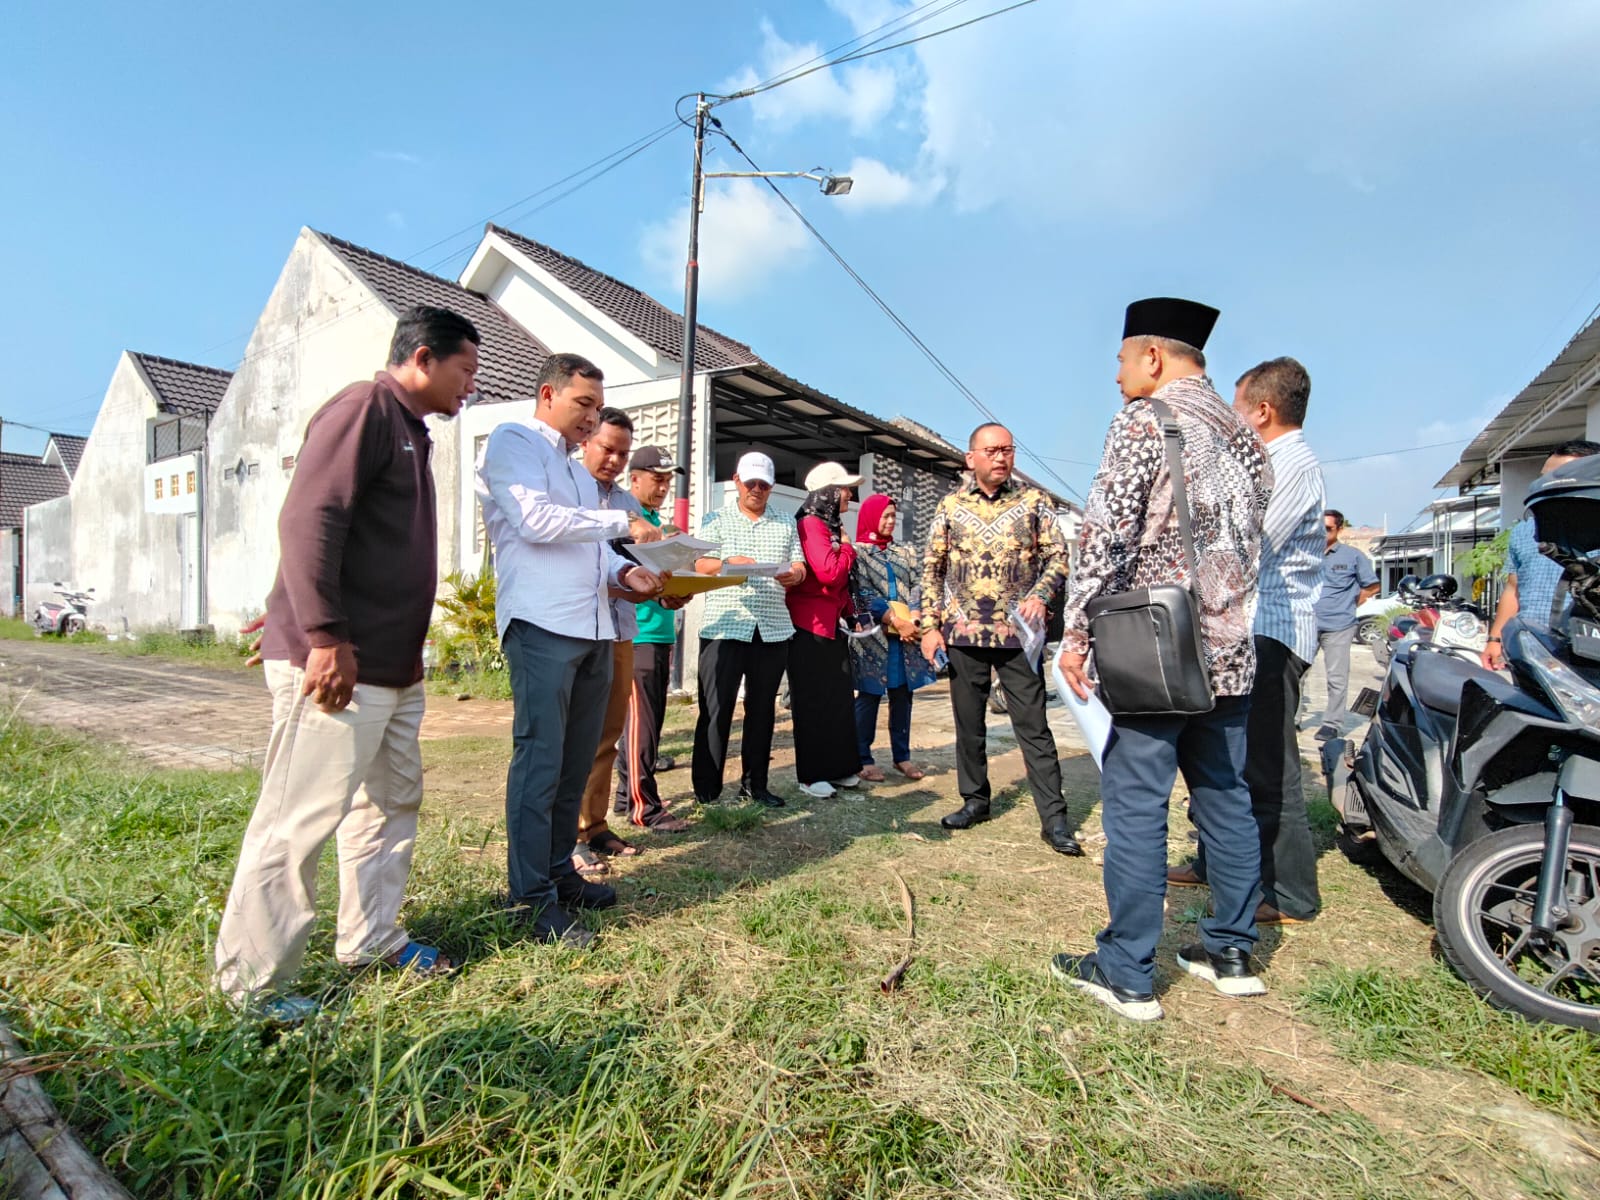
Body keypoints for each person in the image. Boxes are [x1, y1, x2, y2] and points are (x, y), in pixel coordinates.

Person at [214, 305, 480, 1022]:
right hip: (341, 668)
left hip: (395, 670)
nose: (471, 388)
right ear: (422, 358)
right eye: (465, 372)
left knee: (390, 806)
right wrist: (322, 634)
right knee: (297, 821)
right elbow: (310, 519)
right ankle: (253, 985)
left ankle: (373, 937)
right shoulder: (364, 409)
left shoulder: (411, 432)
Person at [1054, 297, 1273, 1021]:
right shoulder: (1246, 437)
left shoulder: (1145, 421)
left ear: (1151, 357)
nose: (1116, 376)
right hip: (1232, 648)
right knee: (1224, 796)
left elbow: (1106, 536)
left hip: (1157, 648)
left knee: (1138, 801)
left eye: (1121, 361)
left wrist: (1077, 633)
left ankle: (1126, 970)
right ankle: (1231, 950)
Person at [476, 354, 661, 948]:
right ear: (548, 393)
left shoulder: (579, 475)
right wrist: (618, 527)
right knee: (540, 761)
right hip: (541, 624)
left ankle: (559, 873)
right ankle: (529, 898)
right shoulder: (515, 443)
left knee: (575, 760)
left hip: (594, 629)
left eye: (597, 407)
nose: (591, 417)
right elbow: (534, 520)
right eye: (583, 404)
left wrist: (625, 576)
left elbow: (596, 550)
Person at [1169, 357, 1326, 925]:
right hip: (1243, 630)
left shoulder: (1293, 467)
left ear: (1261, 411)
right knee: (1225, 759)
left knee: (1267, 764)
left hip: (1272, 633)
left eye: (1236, 409)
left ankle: (1288, 895)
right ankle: (1218, 863)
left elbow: (1247, 544)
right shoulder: (1262, 462)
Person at [917, 423, 1080, 856]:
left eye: (1007, 449)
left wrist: (1041, 596)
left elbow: (1058, 558)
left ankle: (1055, 818)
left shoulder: (1033, 502)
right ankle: (974, 801)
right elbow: (932, 569)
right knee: (969, 726)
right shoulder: (950, 506)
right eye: (991, 450)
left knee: (1034, 727)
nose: (1001, 457)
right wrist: (929, 626)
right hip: (962, 633)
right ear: (971, 458)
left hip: (1017, 637)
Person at [571, 408, 671, 877]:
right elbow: (578, 566)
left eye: (622, 453)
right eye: (606, 448)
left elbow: (636, 561)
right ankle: (569, 836)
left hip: (621, 627)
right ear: (586, 440)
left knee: (608, 736)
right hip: (577, 628)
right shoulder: (570, 490)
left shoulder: (626, 501)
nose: (612, 459)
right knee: (575, 737)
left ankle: (594, 826)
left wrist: (667, 587)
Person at [691, 451, 808, 808]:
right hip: (726, 625)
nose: (757, 490)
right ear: (737, 481)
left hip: (771, 627)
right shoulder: (716, 519)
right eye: (751, 483)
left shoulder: (786, 523)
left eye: (764, 484)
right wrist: (728, 562)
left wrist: (795, 574)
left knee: (762, 711)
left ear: (772, 487)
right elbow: (699, 563)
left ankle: (755, 785)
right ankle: (707, 791)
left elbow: (800, 566)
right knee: (716, 708)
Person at [615, 445, 692, 832]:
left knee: (648, 722)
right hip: (638, 633)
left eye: (667, 481)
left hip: (660, 631)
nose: (662, 487)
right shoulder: (629, 523)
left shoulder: (656, 523)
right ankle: (645, 807)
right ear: (635, 479)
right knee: (641, 725)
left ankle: (623, 795)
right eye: (656, 479)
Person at [1482, 438, 1600, 667]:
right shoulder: (1523, 532)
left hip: (1585, 656)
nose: (1549, 485)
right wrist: (1495, 639)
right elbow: (1513, 588)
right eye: (1544, 477)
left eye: (1561, 476)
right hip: (1529, 651)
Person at [786, 461, 865, 798]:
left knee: (837, 699)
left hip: (832, 624)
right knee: (813, 701)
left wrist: (853, 612)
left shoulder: (830, 527)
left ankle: (839, 767)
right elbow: (830, 572)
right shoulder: (811, 524)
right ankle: (811, 774)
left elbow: (839, 582)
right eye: (845, 488)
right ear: (829, 493)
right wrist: (848, 548)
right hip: (809, 627)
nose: (849, 494)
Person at [850, 494, 935, 781]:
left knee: (903, 695)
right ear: (871, 517)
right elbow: (861, 592)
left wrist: (914, 615)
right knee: (870, 695)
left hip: (905, 636)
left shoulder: (905, 552)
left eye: (893, 517)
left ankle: (902, 757)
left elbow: (917, 585)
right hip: (874, 636)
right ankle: (862, 757)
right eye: (884, 516)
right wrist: (891, 618)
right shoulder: (858, 553)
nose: (890, 522)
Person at [1310, 509, 1378, 739]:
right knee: (1296, 676)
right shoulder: (1306, 554)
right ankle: (1292, 720)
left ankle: (1332, 723)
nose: (1322, 532)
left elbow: (1372, 586)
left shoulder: (1353, 556)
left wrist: (1350, 603)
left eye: (1328, 528)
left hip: (1338, 626)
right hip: (1306, 625)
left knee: (1336, 678)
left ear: (1339, 529)